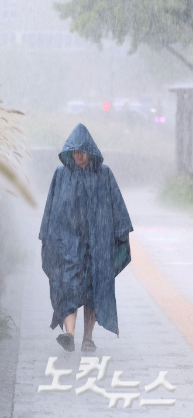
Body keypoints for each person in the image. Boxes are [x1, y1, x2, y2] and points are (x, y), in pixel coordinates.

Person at [39, 123, 133, 352]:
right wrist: (48, 237)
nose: (78, 156)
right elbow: (51, 208)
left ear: (91, 151)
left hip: (96, 243)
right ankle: (69, 335)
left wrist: (118, 235)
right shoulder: (61, 174)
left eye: (82, 151)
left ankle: (87, 338)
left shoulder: (104, 174)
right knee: (67, 286)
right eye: (75, 151)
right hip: (68, 243)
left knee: (93, 289)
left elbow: (116, 206)